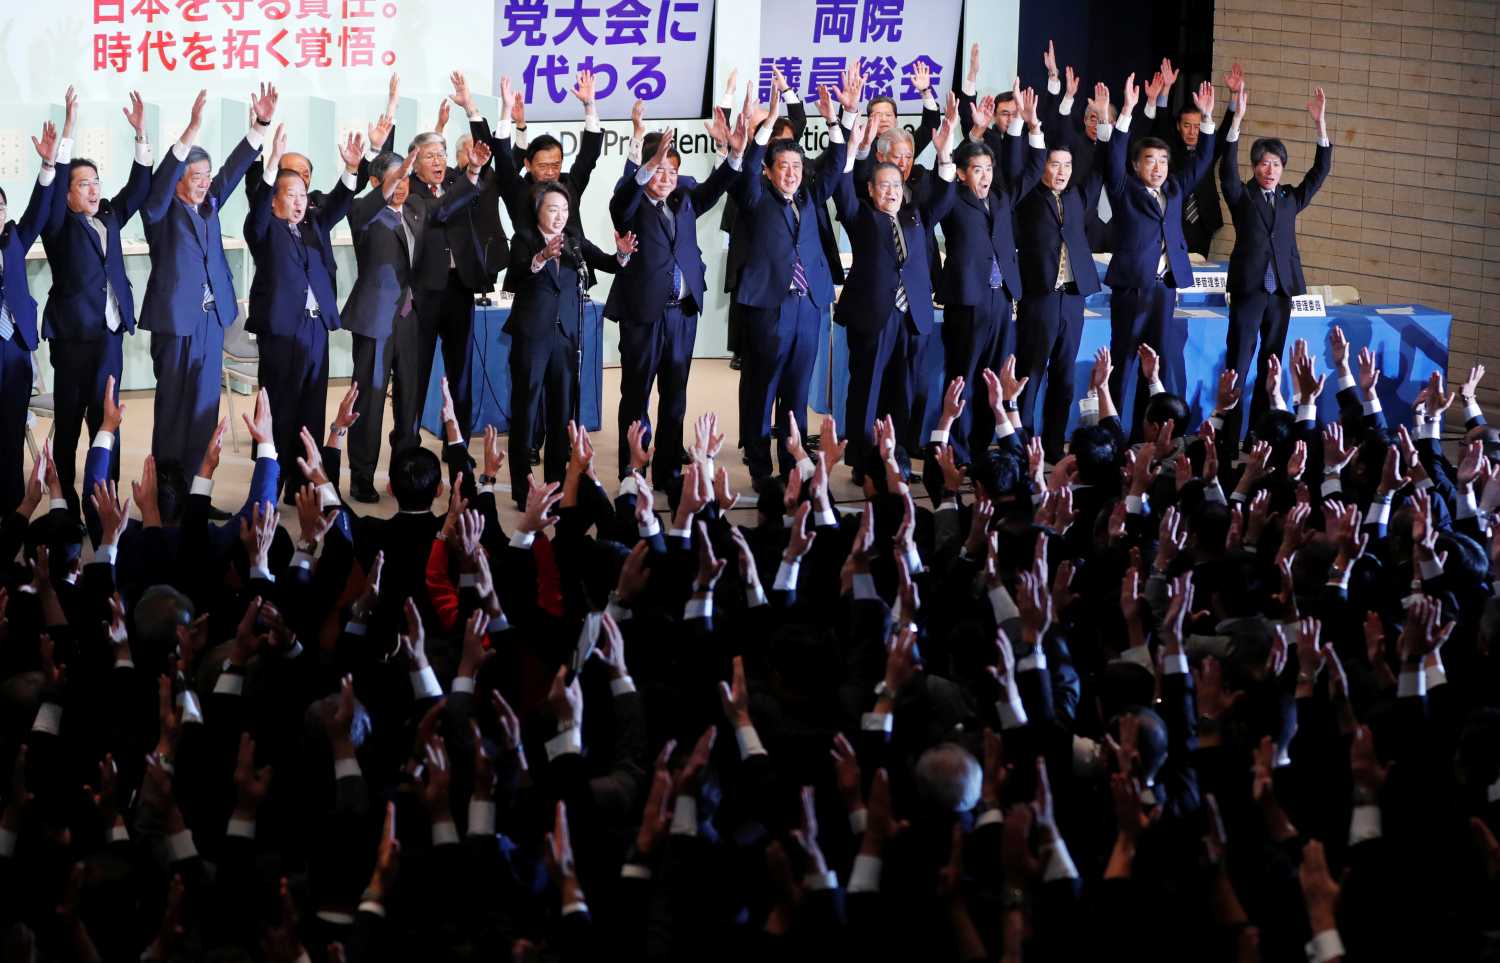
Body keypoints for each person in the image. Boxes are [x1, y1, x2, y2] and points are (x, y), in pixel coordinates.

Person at [139, 85, 276, 473]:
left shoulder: (210, 201)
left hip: (212, 320)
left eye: (206, 175)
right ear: (178, 181)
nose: (203, 182)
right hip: (176, 321)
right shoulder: (160, 211)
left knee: (204, 406)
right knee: (173, 405)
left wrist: (260, 127)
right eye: (195, 176)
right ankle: (168, 489)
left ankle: (198, 484)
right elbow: (161, 183)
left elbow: (233, 170)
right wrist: (191, 131)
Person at [605, 122, 744, 486]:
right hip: (642, 315)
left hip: (682, 314)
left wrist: (735, 154)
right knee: (636, 396)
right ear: (645, 168)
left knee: (675, 397)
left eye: (672, 170)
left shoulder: (683, 201)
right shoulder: (629, 203)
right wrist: (645, 164)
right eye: (658, 169)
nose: (666, 177)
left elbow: (716, 188)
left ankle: (668, 471)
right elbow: (622, 199)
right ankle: (632, 472)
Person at [342, 150, 478, 504]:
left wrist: (473, 172)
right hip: (374, 319)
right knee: (369, 401)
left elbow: (446, 203)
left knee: (410, 401)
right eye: (394, 179)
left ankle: (405, 473)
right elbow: (366, 206)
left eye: (405, 179)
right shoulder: (364, 214)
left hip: (410, 318)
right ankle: (361, 475)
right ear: (376, 183)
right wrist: (388, 182)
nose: (402, 187)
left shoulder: (417, 209)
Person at [730, 83, 847, 488]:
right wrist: (762, 129)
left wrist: (834, 120)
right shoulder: (755, 196)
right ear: (769, 169)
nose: (792, 174)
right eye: (783, 167)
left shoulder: (811, 196)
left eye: (797, 168)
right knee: (763, 388)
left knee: (797, 391)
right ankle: (761, 469)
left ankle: (793, 462)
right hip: (769, 306)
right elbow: (745, 169)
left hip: (808, 304)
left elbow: (835, 163)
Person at [41, 88, 152, 512]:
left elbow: (139, 189)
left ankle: (103, 492)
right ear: (68, 193)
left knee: (108, 417)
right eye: (83, 184)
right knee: (69, 421)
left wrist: (140, 134)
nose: (92, 190)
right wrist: (66, 133)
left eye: (96, 182)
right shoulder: (57, 224)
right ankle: (64, 495)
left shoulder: (108, 215)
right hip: (71, 340)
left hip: (109, 335)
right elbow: (49, 197)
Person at [832, 106, 956, 481]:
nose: (890, 192)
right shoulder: (860, 216)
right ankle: (862, 461)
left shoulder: (915, 215)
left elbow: (946, 194)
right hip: (873, 315)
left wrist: (945, 154)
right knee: (867, 389)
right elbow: (842, 189)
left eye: (895, 186)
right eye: (882, 186)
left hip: (912, 315)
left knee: (903, 391)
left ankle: (896, 459)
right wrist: (854, 150)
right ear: (871, 190)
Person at [244, 125, 364, 500]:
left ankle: (303, 481)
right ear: (275, 200)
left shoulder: (313, 224)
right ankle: (271, 481)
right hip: (281, 331)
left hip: (316, 328)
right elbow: (259, 205)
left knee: (312, 405)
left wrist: (350, 171)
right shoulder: (264, 230)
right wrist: (269, 164)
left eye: (302, 196)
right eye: (290, 196)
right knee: (279, 406)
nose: (298, 202)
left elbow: (341, 203)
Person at [1097, 75, 1217, 435]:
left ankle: (1149, 430)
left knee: (1158, 363)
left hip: (1165, 287)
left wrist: (1209, 119)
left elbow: (1203, 160)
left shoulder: (1175, 189)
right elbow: (1113, 156)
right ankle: (1114, 429)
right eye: (1150, 160)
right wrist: (1127, 113)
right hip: (1133, 286)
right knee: (1124, 361)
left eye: (1163, 161)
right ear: (1137, 166)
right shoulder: (1124, 189)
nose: (1158, 167)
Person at [504, 183, 635, 504]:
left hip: (566, 339)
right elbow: (514, 278)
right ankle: (523, 490)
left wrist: (622, 253)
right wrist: (541, 257)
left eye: (564, 209)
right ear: (538, 211)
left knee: (563, 412)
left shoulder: (574, 241)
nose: (560, 216)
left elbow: (608, 263)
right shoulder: (523, 239)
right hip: (532, 337)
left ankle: (557, 483)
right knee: (526, 411)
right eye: (552, 209)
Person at [1219, 83, 1332, 447]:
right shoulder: (1242, 196)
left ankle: (1259, 436)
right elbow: (1225, 170)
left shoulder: (1289, 199)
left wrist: (1321, 126)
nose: (1271, 169)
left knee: (1271, 367)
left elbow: (1318, 173)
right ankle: (1228, 435)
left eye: (1277, 164)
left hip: (1281, 293)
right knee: (1238, 363)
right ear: (1255, 167)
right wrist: (1237, 118)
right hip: (1249, 291)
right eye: (1265, 163)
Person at [937, 88, 1044, 471]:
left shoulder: (999, 198)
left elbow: (1033, 172)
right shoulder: (951, 198)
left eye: (988, 169)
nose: (984, 176)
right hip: (966, 301)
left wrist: (1031, 126)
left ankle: (983, 447)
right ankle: (958, 451)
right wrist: (958, 141)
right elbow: (937, 195)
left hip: (1002, 299)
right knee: (962, 376)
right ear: (963, 173)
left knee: (994, 377)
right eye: (976, 170)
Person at [405, 118, 505, 444]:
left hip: (459, 287)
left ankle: (457, 444)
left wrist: (474, 169)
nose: (438, 161)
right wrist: (471, 176)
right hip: (423, 291)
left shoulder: (456, 179)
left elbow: (480, 185)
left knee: (461, 373)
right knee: (415, 374)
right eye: (430, 156)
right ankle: (409, 447)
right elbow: (439, 211)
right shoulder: (409, 190)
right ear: (415, 162)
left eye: (442, 154)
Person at [1014, 137, 1106, 462]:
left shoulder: (1077, 197)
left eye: (1067, 165)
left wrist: (1115, 124)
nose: (1062, 171)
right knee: (1030, 374)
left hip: (1072, 300)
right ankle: (1022, 446)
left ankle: (1054, 445)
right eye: (1055, 164)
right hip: (1040, 297)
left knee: (1064, 377)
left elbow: (1102, 167)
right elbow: (1017, 167)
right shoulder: (1026, 198)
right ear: (1041, 166)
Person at [0, 119, 60, 513]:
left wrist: (48, 167)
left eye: (1, 205)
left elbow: (38, 212)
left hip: (16, 347)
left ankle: (9, 505)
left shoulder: (14, 241)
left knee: (10, 431)